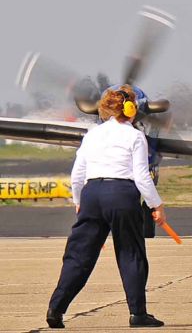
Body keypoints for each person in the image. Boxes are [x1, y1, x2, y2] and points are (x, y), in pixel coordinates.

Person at [46, 85, 166, 329]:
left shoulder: (92, 134)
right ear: (131, 109)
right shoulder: (135, 136)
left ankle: (56, 309)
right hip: (121, 194)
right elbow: (142, 176)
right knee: (130, 253)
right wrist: (157, 205)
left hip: (92, 193)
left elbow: (77, 174)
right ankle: (138, 314)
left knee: (79, 255)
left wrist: (79, 202)